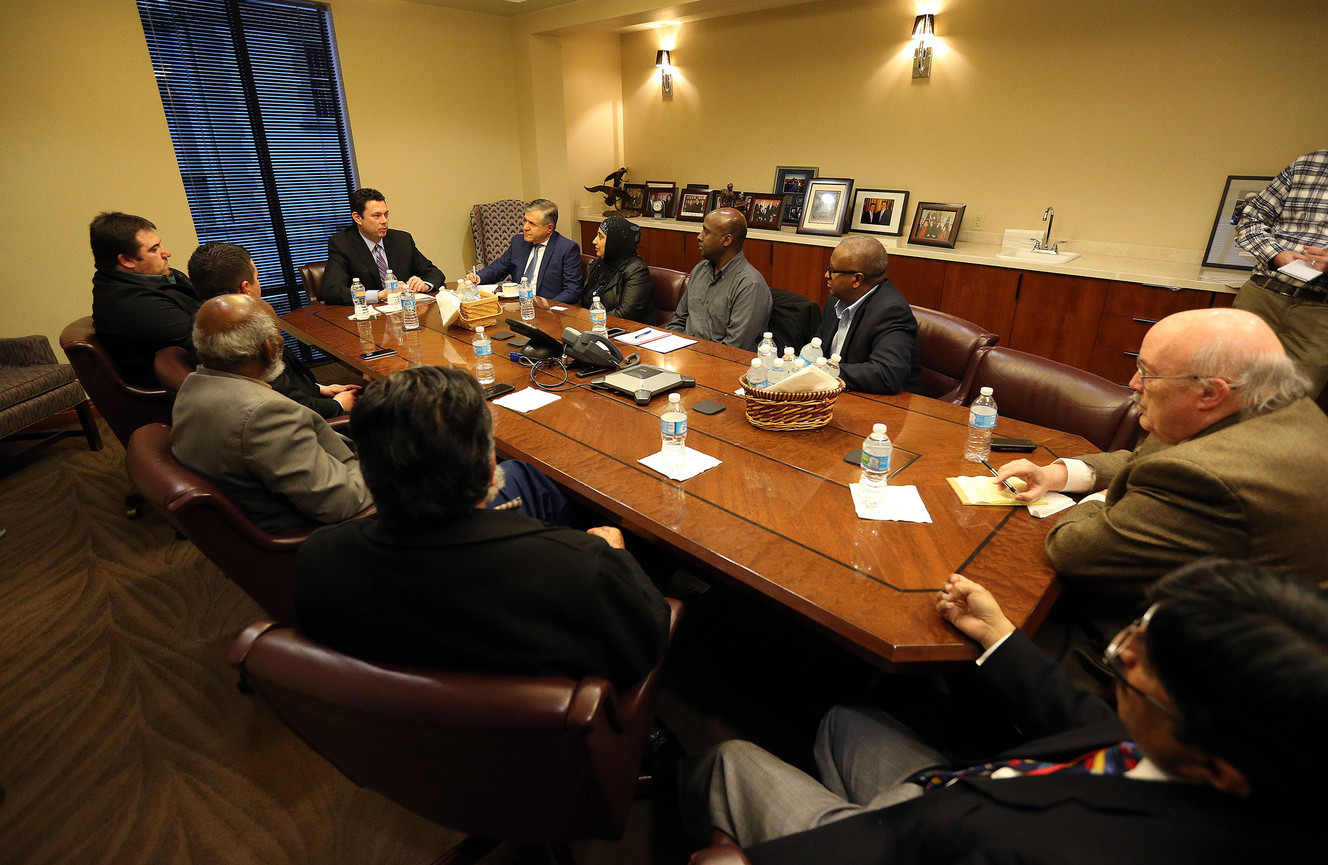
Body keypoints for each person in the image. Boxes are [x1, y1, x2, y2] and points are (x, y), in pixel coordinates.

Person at [681, 560, 1325, 864]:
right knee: (844, 717)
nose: (1116, 655)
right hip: (963, 792)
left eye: (1135, 669)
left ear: (1220, 770)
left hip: (915, 839)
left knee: (727, 763)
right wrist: (998, 635)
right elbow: (1097, 728)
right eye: (1139, 630)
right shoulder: (1238, 749)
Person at [293, 365, 672, 689]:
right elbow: (646, 641)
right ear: (492, 468)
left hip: (398, 750)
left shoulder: (318, 559)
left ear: (369, 475)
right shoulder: (583, 569)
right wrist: (619, 557)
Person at [994, 307, 1328, 601]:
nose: (1133, 383)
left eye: (1148, 373)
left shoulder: (1202, 477)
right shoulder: (1280, 406)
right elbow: (1149, 460)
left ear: (1210, 392)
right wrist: (1058, 475)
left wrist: (1101, 497)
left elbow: (1073, 552)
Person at [171, 294, 373, 533]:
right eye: (278, 335)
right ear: (269, 349)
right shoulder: (266, 414)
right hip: (320, 531)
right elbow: (343, 501)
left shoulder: (192, 386)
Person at [188, 241, 359, 418]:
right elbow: (290, 404)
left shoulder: (201, 329)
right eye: (257, 277)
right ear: (245, 289)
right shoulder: (247, 337)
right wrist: (338, 405)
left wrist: (319, 389)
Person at [1233, 149, 1328, 397]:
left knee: (1291, 405)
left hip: (1319, 315)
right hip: (1262, 295)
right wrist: (1278, 254)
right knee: (1222, 386)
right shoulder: (1309, 163)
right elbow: (1250, 219)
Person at [89, 211, 199, 387]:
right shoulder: (133, 304)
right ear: (126, 260)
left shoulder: (155, 277)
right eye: (154, 249)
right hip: (178, 391)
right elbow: (206, 343)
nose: (167, 253)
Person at [815, 236, 921, 394]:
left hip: (888, 407)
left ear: (857, 279)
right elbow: (817, 350)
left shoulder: (891, 311)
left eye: (832, 271)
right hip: (838, 396)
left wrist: (825, 372)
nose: (826, 275)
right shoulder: (834, 301)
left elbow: (887, 374)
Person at [667, 208, 772, 351]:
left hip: (719, 365)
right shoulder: (700, 270)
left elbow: (733, 349)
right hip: (684, 356)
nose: (699, 237)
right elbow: (678, 322)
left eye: (706, 232)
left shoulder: (750, 285)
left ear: (727, 240)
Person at [322, 187, 445, 305]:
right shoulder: (342, 244)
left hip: (406, 311)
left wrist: (424, 284)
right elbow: (331, 291)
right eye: (377, 216)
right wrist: (379, 295)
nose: (384, 221)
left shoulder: (402, 240)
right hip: (369, 317)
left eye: (386, 214)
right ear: (358, 218)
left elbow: (434, 273)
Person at [473, 198, 582, 303]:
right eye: (525, 221)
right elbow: (499, 267)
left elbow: (572, 291)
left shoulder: (567, 249)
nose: (525, 227)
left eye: (532, 223)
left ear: (549, 228)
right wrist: (478, 277)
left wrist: (547, 307)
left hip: (548, 311)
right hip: (518, 304)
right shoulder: (518, 242)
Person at [580, 216, 657, 324]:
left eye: (601, 237)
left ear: (615, 242)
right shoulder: (598, 264)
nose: (594, 241)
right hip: (596, 326)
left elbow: (625, 313)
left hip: (627, 331)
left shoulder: (637, 271)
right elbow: (584, 299)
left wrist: (592, 321)